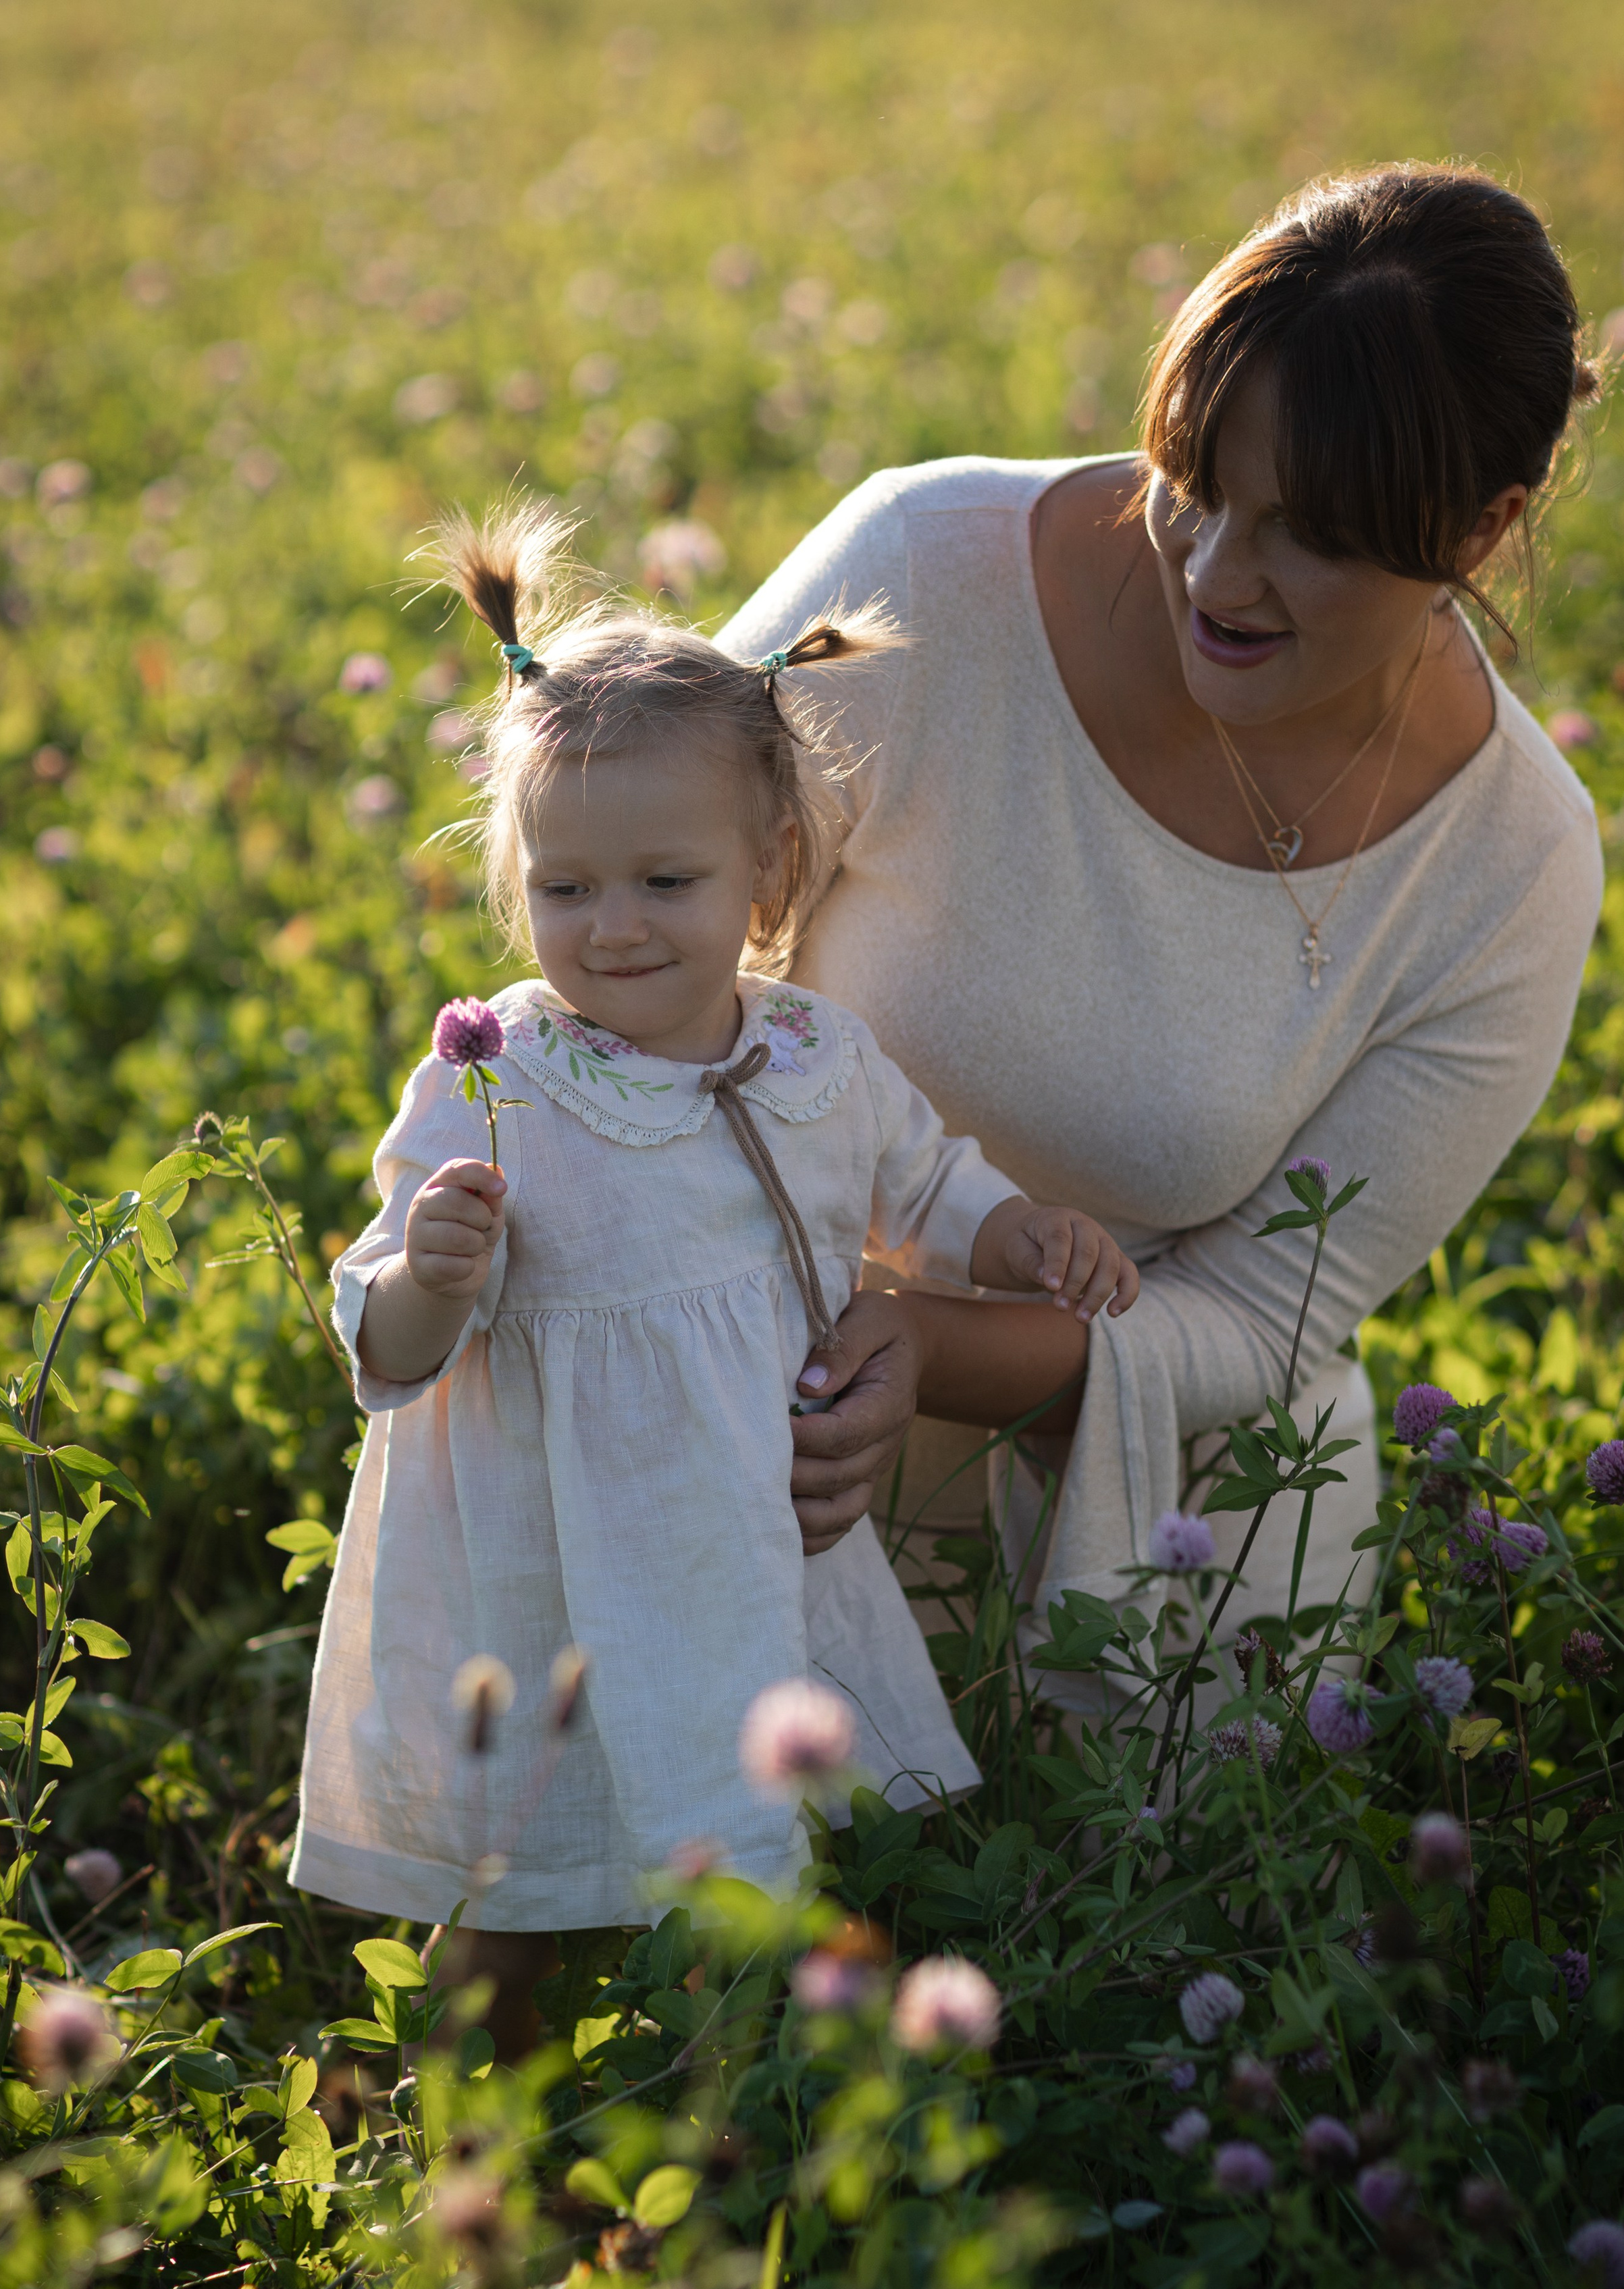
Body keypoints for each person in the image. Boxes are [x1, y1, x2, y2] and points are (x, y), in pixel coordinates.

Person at [731, 162, 1604, 1696]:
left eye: (1310, 535)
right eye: (1191, 477)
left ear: (1481, 527)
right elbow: (621, 901)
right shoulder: (926, 574)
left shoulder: (1508, 863)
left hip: (1177, 1518)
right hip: (761, 1386)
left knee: (1136, 1925)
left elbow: (1263, 1320)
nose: (1211, 569)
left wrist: (924, 1344)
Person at [288, 502, 1137, 2053]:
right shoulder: (500, 1078)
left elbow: (923, 1182)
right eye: (565, 889)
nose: (608, 929)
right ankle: (474, 2126)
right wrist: (430, 1266)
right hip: (547, 1551)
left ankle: (774, 2103)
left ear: (767, 873)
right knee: (519, 1876)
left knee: (785, 1836)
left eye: (662, 884)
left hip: (754, 1534)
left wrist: (1017, 1236)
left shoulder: (816, 1051)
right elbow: (381, 1339)